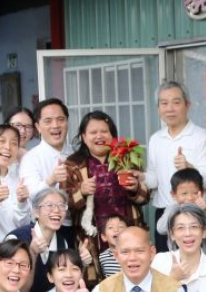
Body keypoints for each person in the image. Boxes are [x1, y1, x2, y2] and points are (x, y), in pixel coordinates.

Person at [64, 111, 149, 278]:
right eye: (93, 132)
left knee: (134, 277)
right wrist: (81, 191)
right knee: (96, 284)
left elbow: (145, 198)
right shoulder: (74, 163)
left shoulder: (126, 157)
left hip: (128, 230)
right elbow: (65, 206)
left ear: (112, 135)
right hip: (92, 237)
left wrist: (135, 188)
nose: (99, 136)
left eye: (104, 131)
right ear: (83, 136)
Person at [144, 81, 206, 251]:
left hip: (193, 211)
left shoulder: (202, 136)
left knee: (195, 264)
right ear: (158, 108)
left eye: (176, 102)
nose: (170, 108)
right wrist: (141, 177)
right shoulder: (155, 139)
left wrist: (190, 167)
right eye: (164, 103)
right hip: (165, 211)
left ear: (187, 105)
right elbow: (154, 179)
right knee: (167, 268)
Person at [6, 188, 81, 292]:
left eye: (61, 206)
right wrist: (32, 253)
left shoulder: (62, 242)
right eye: (50, 205)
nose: (56, 210)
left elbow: (63, 285)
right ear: (36, 212)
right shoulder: (16, 239)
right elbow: (20, 291)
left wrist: (82, 263)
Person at [0, 124, 31, 240]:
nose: (8, 147)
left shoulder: (21, 177)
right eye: (2, 141)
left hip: (16, 245)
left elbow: (23, 224)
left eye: (14, 143)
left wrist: (22, 203)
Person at [154, 169, 206, 252]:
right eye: (184, 193)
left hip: (201, 259)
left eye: (195, 193)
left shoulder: (203, 210)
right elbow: (161, 229)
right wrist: (176, 209)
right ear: (174, 195)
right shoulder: (172, 209)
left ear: (202, 192)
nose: (189, 198)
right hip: (178, 259)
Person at [19, 98, 73, 199]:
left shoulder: (75, 153)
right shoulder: (30, 159)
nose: (55, 125)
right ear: (38, 127)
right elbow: (30, 197)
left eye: (60, 119)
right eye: (48, 121)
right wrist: (51, 180)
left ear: (67, 122)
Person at [96, 214, 127, 279]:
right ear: (104, 237)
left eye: (121, 227)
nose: (116, 230)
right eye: (110, 227)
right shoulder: (102, 257)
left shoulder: (134, 254)